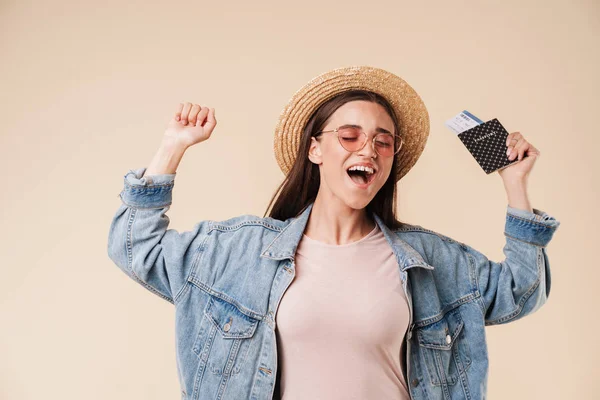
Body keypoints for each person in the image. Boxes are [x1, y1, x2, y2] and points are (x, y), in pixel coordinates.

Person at [107, 66, 561, 400]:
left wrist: (515, 183)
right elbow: (137, 247)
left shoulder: (429, 261)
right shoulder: (239, 252)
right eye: (349, 135)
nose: (369, 148)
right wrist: (171, 148)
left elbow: (522, 292)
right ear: (315, 149)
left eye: (383, 141)